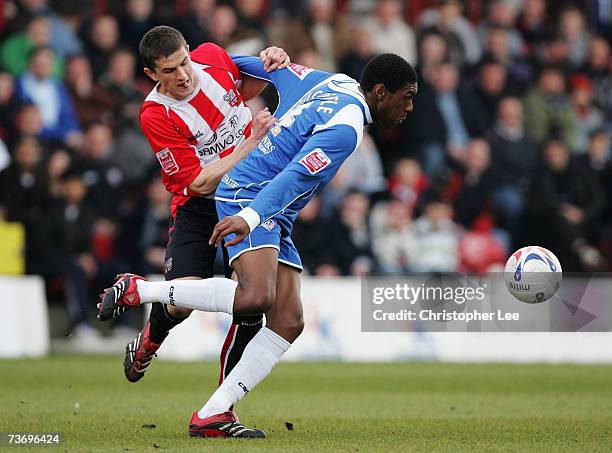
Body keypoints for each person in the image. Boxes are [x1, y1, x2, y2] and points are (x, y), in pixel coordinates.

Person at [99, 52, 418, 437]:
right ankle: (139, 289)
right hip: (250, 192)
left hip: (270, 205)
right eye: (407, 96)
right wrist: (249, 217)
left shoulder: (336, 82)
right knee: (254, 297)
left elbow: (277, 72)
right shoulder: (347, 130)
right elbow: (296, 177)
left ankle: (212, 414)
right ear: (380, 92)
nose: (409, 107)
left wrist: (261, 58)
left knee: (288, 321)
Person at [98, 25, 290, 425]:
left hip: (249, 196)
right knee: (180, 303)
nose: (182, 75)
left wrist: (276, 59)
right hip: (199, 207)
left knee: (253, 302)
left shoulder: (214, 56)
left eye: (183, 62)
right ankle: (151, 338)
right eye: (169, 71)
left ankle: (221, 408)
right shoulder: (157, 114)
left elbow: (251, 87)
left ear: (190, 51)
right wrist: (249, 144)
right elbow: (197, 182)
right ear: (151, 75)